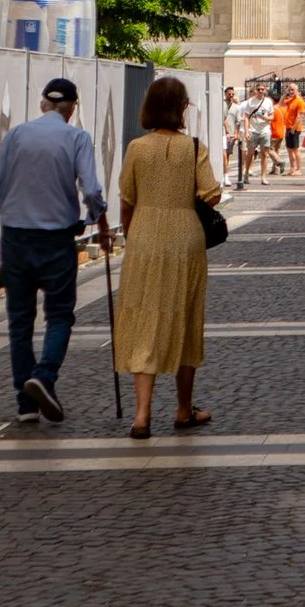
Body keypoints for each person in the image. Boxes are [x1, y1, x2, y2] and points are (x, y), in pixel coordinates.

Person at [0, 74, 99, 425]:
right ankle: (44, 375)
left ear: (42, 104)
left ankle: (25, 404)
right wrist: (98, 219)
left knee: (20, 321)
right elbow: (92, 189)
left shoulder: (17, 135)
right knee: (59, 315)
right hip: (56, 240)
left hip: (16, 238)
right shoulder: (77, 137)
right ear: (71, 109)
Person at [114, 74, 223, 438]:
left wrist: (132, 235)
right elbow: (212, 194)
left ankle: (141, 416)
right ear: (181, 109)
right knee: (185, 317)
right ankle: (182, 410)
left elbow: (126, 200)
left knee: (143, 315)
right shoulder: (194, 147)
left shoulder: (136, 148)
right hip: (185, 239)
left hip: (144, 235)